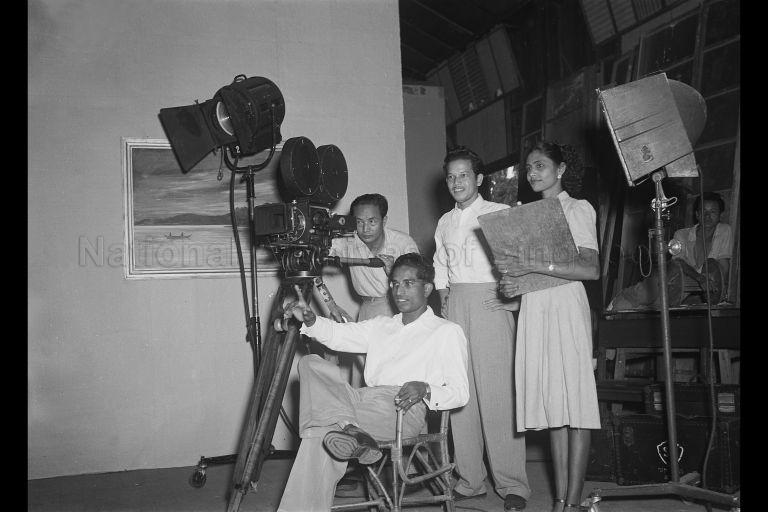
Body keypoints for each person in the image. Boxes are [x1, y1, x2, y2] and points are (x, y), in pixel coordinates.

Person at [276, 253, 469, 512]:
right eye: (394, 284)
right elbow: (338, 335)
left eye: (408, 283)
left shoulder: (446, 331)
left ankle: (347, 429)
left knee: (318, 432)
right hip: (361, 400)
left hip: (402, 408)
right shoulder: (381, 325)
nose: (398, 291)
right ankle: (351, 430)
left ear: (427, 288)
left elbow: (460, 392)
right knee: (311, 362)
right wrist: (311, 321)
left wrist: (425, 388)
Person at [496, 141, 600, 512]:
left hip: (566, 308)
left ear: (561, 169)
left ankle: (573, 504)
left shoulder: (578, 209)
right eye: (528, 168)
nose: (533, 173)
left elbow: (590, 269)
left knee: (577, 406)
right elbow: (524, 273)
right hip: (536, 308)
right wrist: (514, 284)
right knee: (554, 406)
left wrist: (537, 266)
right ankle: (558, 500)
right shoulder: (527, 214)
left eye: (540, 165)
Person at [433, 146, 530, 511]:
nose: (457, 182)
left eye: (464, 175)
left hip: (491, 304)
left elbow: (521, 262)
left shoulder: (498, 213)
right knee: (461, 392)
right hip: (455, 305)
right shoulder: (444, 222)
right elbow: (440, 265)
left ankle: (512, 484)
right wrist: (443, 298)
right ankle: (470, 479)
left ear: (479, 178)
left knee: (497, 394)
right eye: (451, 176)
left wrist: (514, 298)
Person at [326, 193, 420, 387]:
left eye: (372, 221)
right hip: (367, 310)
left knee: (393, 375)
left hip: (397, 309)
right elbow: (323, 249)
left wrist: (394, 272)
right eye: (359, 222)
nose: (365, 229)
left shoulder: (403, 243)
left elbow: (419, 283)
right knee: (364, 376)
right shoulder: (348, 242)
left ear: (384, 220)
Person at [671, 191, 732, 302]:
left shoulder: (725, 230)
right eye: (704, 212)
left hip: (710, 293)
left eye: (713, 212)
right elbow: (678, 262)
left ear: (720, 215)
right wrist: (700, 279)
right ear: (697, 215)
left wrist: (717, 288)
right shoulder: (681, 234)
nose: (707, 216)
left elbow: (724, 264)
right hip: (681, 289)